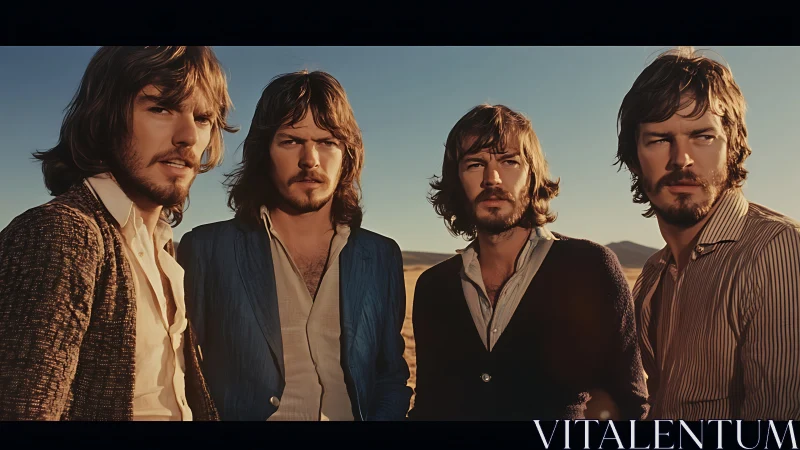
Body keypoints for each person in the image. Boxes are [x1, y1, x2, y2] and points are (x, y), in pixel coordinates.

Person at [0, 46, 236, 420]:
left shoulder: (163, 250)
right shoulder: (63, 233)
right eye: (161, 108)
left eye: (204, 118)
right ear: (106, 116)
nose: (189, 135)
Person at [177, 70, 412, 421]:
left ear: (348, 154)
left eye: (327, 141)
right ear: (263, 152)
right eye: (290, 141)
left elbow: (390, 374)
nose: (310, 160)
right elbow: (185, 379)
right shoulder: (208, 249)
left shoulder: (380, 256)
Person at [408, 103, 649, 420]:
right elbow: (428, 408)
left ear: (532, 174)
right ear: (457, 180)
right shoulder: (434, 287)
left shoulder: (590, 268)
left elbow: (631, 405)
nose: (492, 178)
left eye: (509, 162)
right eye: (474, 164)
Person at [615, 47, 800, 419]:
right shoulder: (653, 273)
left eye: (702, 136)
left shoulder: (777, 250)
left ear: (731, 147)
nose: (680, 158)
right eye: (659, 139)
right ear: (635, 157)